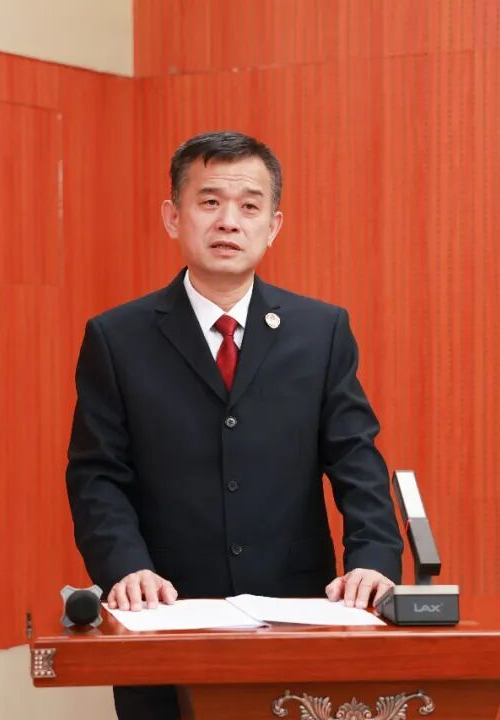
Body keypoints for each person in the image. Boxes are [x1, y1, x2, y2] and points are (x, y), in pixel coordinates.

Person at [65, 131, 403, 719]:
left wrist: (373, 557)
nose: (229, 221)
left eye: (249, 206)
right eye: (209, 202)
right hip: (164, 613)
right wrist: (126, 567)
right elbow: (97, 475)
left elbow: (356, 458)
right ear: (173, 217)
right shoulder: (117, 338)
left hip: (297, 617)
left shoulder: (321, 332)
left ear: (273, 226)